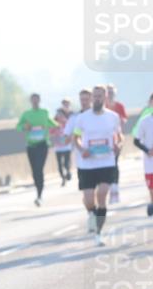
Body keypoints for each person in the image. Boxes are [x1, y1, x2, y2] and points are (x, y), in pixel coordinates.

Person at [70, 85, 122, 246]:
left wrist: (118, 145)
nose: (97, 98)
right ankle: (91, 214)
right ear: (92, 98)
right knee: (88, 198)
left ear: (105, 97)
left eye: (100, 96)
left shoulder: (113, 117)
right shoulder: (82, 118)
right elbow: (76, 137)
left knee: (102, 195)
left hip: (106, 162)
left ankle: (99, 232)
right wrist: (82, 149)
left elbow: (119, 136)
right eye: (95, 96)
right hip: (87, 164)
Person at [15, 93, 57, 206]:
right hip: (31, 146)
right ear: (30, 101)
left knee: (39, 169)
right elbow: (18, 127)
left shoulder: (44, 112)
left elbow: (51, 123)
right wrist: (25, 127)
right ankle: (38, 191)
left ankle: (39, 195)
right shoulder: (26, 114)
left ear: (39, 100)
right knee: (34, 171)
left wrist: (59, 126)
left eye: (36, 100)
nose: (35, 102)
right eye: (33, 100)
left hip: (43, 145)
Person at [106, 84, 129, 205]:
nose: (110, 94)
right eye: (108, 92)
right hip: (104, 141)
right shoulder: (102, 106)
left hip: (116, 138)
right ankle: (109, 186)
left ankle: (114, 186)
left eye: (112, 92)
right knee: (106, 165)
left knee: (114, 162)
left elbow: (124, 119)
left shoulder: (119, 106)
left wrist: (119, 120)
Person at [133, 93, 153, 217]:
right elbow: (136, 140)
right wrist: (147, 150)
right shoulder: (145, 121)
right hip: (150, 163)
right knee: (151, 190)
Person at [52, 109, 74, 186]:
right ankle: (63, 178)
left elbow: (71, 132)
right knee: (59, 164)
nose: (59, 116)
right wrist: (55, 128)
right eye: (58, 114)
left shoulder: (67, 122)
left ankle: (68, 171)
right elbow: (50, 132)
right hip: (58, 147)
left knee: (66, 162)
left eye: (61, 114)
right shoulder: (53, 123)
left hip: (66, 145)